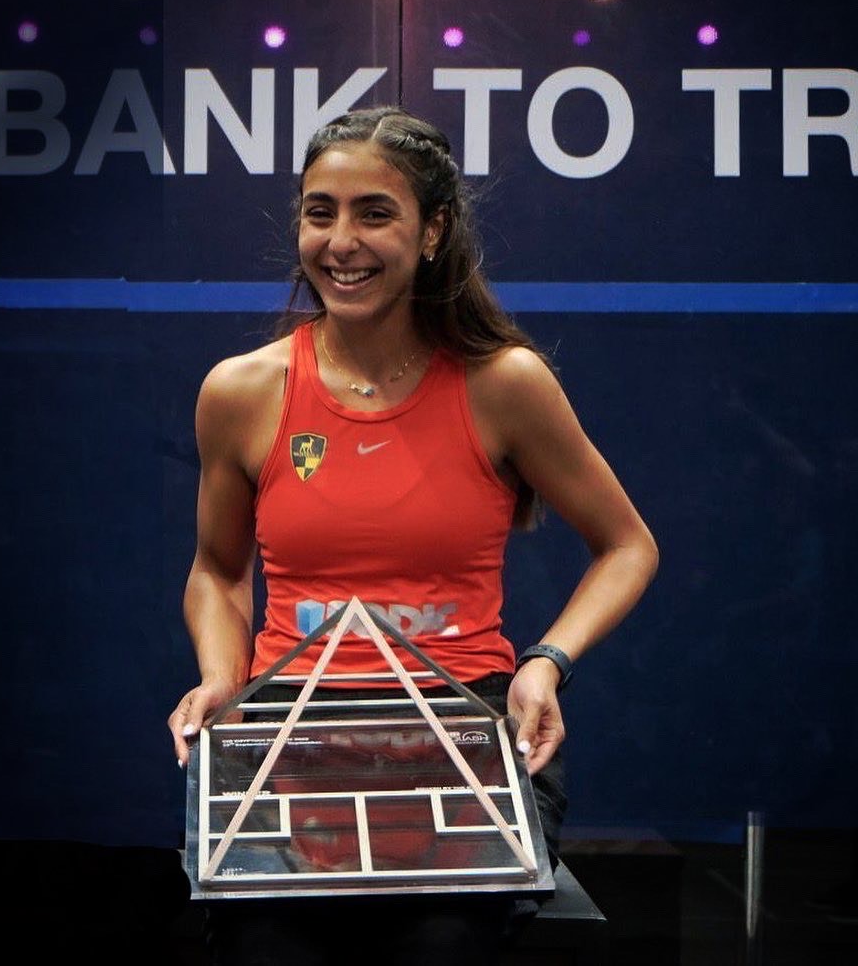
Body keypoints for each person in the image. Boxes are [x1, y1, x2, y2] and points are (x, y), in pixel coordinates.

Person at [168, 104, 658, 965]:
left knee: (440, 945)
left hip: (464, 732)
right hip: (291, 731)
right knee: (266, 948)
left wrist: (546, 662)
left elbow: (627, 546)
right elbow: (216, 569)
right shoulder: (242, 390)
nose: (340, 241)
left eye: (374, 213)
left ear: (431, 232)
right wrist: (220, 677)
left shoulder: (502, 382)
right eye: (320, 212)